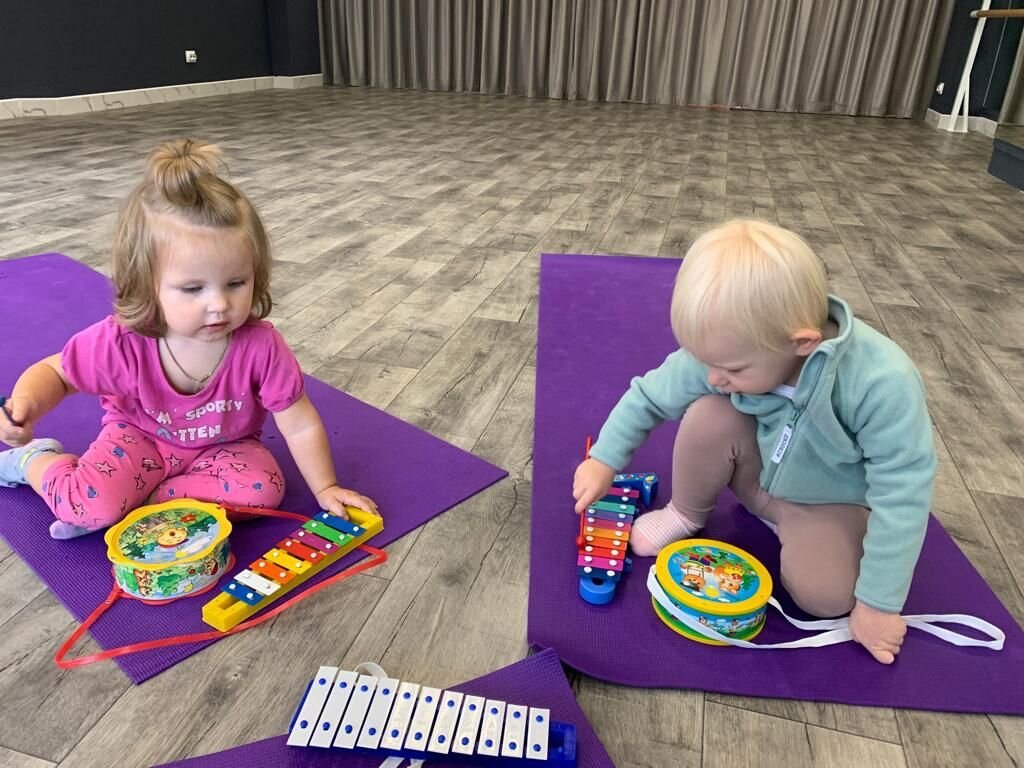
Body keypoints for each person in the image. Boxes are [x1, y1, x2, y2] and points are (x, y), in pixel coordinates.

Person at [572, 219, 936, 663]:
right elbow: (650, 396)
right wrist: (604, 460)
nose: (712, 376)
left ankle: (807, 534)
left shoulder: (882, 382)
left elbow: (903, 491)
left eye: (730, 369)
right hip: (758, 480)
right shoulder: (730, 350)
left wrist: (879, 604)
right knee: (710, 412)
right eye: (704, 361)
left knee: (825, 598)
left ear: (801, 343)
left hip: (829, 502)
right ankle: (685, 512)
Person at [0, 138, 378, 539]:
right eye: (193, 289)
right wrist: (26, 406)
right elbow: (57, 374)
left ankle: (134, 506)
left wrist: (326, 487)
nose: (219, 304)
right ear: (145, 284)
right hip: (137, 440)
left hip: (223, 449)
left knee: (262, 491)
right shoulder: (123, 341)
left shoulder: (261, 346)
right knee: (84, 504)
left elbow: (299, 424)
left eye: (236, 283)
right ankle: (34, 460)